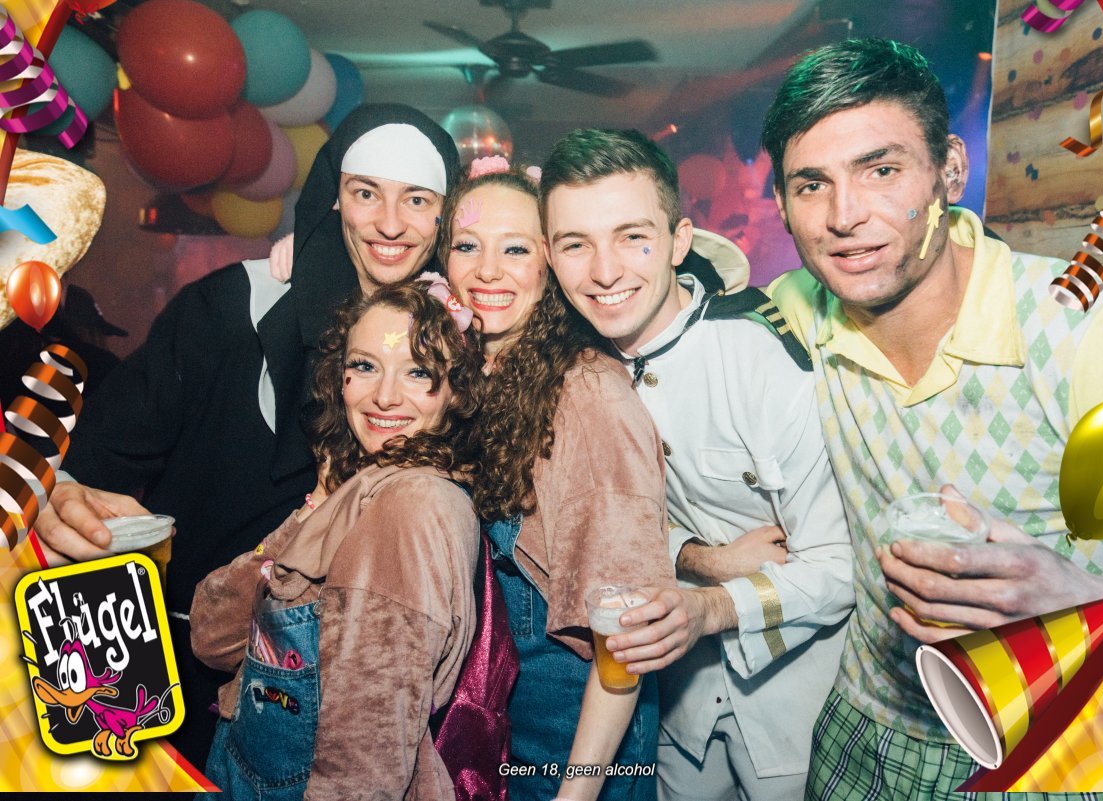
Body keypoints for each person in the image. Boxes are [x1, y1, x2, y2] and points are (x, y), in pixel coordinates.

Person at [761, 38, 1103, 799]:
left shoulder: (1092, 336)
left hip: (1055, 742)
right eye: (812, 184)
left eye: (881, 170)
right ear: (784, 207)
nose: (845, 216)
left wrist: (1092, 606)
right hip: (866, 726)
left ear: (950, 170)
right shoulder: (794, 314)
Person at [34, 103, 460, 767]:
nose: (389, 223)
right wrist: (106, 725)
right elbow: (93, 469)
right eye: (365, 193)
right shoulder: (235, 305)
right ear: (334, 198)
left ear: (444, 217)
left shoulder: (458, 349)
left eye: (417, 200)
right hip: (169, 666)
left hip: (336, 706)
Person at [537, 128, 854, 800]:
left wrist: (709, 606)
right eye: (575, 244)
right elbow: (595, 522)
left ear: (679, 240)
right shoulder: (568, 371)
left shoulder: (758, 359)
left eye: (632, 237)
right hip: (676, 719)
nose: (604, 272)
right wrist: (699, 557)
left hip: (794, 715)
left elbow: (839, 565)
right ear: (549, 256)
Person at [191, 280, 489, 799]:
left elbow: (366, 758)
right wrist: (318, 502)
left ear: (456, 392)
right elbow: (214, 636)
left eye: (418, 372)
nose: (384, 396)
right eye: (366, 366)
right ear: (339, 379)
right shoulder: (362, 488)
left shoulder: (412, 506)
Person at [442, 158, 675, 801]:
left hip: (572, 736)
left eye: (516, 249)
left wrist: (576, 793)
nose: (488, 271)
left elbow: (626, 634)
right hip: (491, 726)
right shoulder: (465, 381)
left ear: (549, 266)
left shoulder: (586, 393)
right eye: (468, 246)